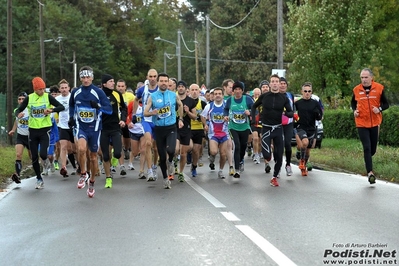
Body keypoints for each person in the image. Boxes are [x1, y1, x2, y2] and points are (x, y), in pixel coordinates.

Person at [69, 66, 112, 197]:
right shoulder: (76, 92)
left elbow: (109, 109)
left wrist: (98, 106)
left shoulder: (98, 92)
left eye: (88, 77)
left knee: (93, 157)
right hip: (81, 126)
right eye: (83, 77)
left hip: (94, 128)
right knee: (81, 149)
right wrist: (71, 117)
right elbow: (71, 105)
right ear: (80, 78)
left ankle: (92, 181)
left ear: (92, 77)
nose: (86, 80)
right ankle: (83, 173)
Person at [14, 77, 65, 189]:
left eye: (43, 89)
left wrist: (51, 110)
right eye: (40, 89)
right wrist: (18, 114)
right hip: (32, 131)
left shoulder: (47, 96)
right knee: (34, 158)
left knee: (43, 154)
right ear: (35, 89)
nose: (42, 91)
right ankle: (39, 178)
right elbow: (19, 109)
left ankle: (46, 161)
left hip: (45, 130)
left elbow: (61, 107)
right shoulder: (29, 98)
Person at [250, 74, 293, 187]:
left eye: (276, 81)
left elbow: (290, 112)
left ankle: (274, 177)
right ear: (270, 84)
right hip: (266, 128)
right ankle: (268, 157)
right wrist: (253, 119)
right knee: (267, 155)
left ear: (279, 84)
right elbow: (254, 106)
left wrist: (287, 113)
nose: (274, 83)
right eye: (272, 81)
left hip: (278, 128)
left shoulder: (283, 98)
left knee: (279, 154)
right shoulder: (265, 97)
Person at [143, 73, 184, 189]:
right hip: (159, 129)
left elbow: (180, 105)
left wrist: (180, 119)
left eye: (166, 81)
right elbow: (145, 112)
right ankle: (166, 178)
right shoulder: (153, 96)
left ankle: (171, 161)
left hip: (171, 127)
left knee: (171, 150)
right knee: (161, 155)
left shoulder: (173, 95)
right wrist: (152, 113)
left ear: (168, 83)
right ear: (158, 82)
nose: (164, 83)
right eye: (161, 81)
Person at [351, 68, 389, 184]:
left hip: (374, 122)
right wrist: (354, 111)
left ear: (371, 78)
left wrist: (379, 109)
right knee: (366, 147)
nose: (364, 80)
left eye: (366, 77)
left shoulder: (379, 88)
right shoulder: (356, 90)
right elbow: (353, 103)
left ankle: (368, 160)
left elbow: (386, 104)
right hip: (361, 123)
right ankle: (370, 173)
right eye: (362, 77)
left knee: (372, 150)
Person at [100, 74, 127, 189]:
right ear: (104, 84)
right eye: (110, 81)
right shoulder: (98, 94)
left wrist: (123, 120)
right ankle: (108, 178)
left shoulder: (117, 94)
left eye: (113, 81)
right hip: (103, 128)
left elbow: (124, 108)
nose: (113, 83)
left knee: (117, 153)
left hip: (115, 127)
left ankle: (115, 160)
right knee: (105, 156)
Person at [223, 81, 254, 178]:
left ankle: (240, 160)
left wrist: (249, 112)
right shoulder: (230, 100)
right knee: (237, 145)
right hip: (233, 127)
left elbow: (254, 110)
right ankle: (236, 170)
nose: (237, 91)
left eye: (239, 89)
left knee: (243, 146)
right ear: (233, 91)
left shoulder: (247, 99)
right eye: (235, 89)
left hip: (244, 127)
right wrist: (225, 116)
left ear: (242, 90)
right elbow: (226, 109)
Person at [132, 69, 159, 181]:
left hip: (158, 121)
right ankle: (149, 171)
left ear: (157, 77)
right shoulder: (142, 89)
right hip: (146, 120)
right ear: (147, 77)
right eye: (150, 76)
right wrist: (134, 114)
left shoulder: (161, 89)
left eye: (154, 76)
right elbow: (136, 99)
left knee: (156, 148)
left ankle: (154, 166)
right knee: (148, 143)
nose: (152, 79)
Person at [201, 87, 231, 179]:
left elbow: (232, 115)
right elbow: (202, 115)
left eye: (219, 94)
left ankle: (221, 171)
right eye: (216, 94)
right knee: (214, 151)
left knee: (223, 154)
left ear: (222, 95)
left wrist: (228, 120)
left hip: (224, 133)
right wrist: (205, 124)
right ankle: (212, 159)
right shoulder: (209, 106)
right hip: (213, 133)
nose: (218, 95)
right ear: (213, 96)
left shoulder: (226, 105)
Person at [294, 82, 323, 177]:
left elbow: (320, 117)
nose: (307, 93)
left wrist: (317, 114)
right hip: (301, 127)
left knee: (308, 150)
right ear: (302, 92)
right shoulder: (297, 103)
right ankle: (302, 161)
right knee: (305, 142)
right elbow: (292, 114)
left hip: (311, 128)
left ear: (311, 92)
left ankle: (304, 166)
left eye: (309, 91)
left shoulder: (315, 103)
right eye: (305, 91)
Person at [175, 80, 196, 182]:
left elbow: (195, 117)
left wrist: (187, 112)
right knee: (175, 148)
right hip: (174, 127)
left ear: (186, 89)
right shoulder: (173, 99)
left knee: (183, 153)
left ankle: (181, 172)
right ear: (177, 89)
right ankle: (174, 160)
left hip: (186, 129)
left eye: (183, 87)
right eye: (179, 87)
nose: (181, 88)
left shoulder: (191, 101)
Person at [56, 79, 77, 178]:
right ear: (59, 89)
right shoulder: (57, 99)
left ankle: (79, 166)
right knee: (63, 147)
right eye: (62, 88)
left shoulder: (73, 97)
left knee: (74, 149)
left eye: (65, 88)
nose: (64, 89)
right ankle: (63, 167)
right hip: (62, 126)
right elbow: (53, 110)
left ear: (69, 88)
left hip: (73, 126)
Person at [8, 92, 31, 184]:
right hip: (20, 136)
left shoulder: (30, 110)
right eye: (19, 99)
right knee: (18, 155)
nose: (21, 101)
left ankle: (43, 168)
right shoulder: (16, 110)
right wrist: (13, 130)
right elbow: (16, 121)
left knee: (32, 157)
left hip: (30, 136)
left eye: (23, 99)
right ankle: (17, 175)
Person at [277, 77, 295, 176]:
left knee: (287, 144)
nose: (283, 85)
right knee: (278, 146)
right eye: (281, 83)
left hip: (289, 123)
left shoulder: (290, 95)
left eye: (284, 84)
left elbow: (293, 109)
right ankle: (278, 167)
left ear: (286, 86)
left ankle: (288, 164)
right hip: (277, 123)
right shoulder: (275, 95)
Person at [189, 84, 207, 177]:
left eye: (196, 90)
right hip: (189, 128)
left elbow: (207, 115)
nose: (194, 92)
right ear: (189, 91)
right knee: (189, 147)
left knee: (196, 150)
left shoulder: (202, 103)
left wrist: (205, 124)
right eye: (193, 90)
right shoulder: (186, 102)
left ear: (199, 92)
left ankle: (194, 166)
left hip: (199, 129)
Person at [116, 79, 135, 163]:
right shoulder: (114, 95)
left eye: (122, 86)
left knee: (127, 142)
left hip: (127, 121)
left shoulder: (130, 96)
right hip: (116, 121)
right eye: (119, 86)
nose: (120, 88)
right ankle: (119, 163)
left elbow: (137, 103)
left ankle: (126, 149)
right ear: (116, 87)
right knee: (117, 142)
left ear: (125, 87)